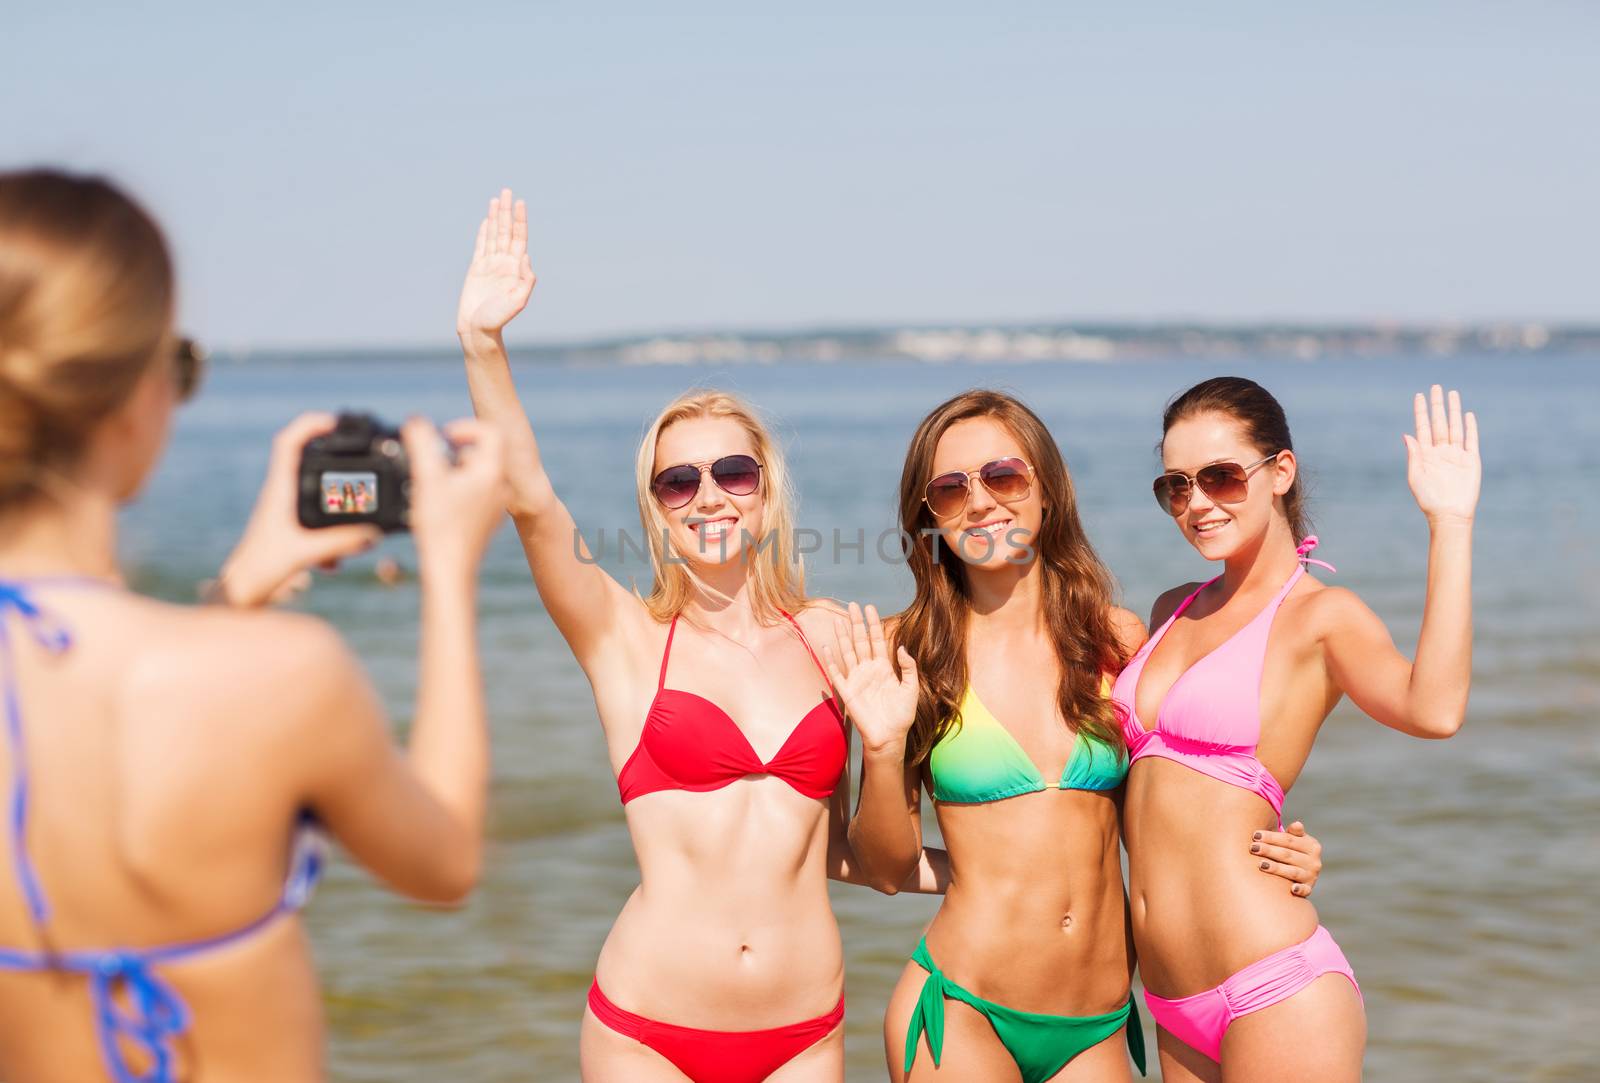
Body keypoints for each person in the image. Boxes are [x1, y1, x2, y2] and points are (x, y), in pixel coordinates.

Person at [0, 169, 509, 1083]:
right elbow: (446, 858)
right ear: (132, 400)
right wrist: (447, 566)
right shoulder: (280, 677)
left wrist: (242, 581)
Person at [456, 188, 946, 1083]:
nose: (709, 494)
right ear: (656, 509)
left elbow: (864, 854)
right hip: (650, 1027)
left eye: (732, 470)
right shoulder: (623, 637)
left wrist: (977, 851)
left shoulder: (835, 637)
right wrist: (484, 344)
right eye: (678, 480)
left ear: (765, 489)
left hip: (805, 1028)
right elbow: (528, 496)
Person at [831, 389, 1325, 1083]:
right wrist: (882, 752)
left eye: (1003, 476)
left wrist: (1271, 850)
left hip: (1097, 1026)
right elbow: (883, 866)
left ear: (1046, 492)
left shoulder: (1118, 639)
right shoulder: (904, 653)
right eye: (950, 489)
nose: (980, 502)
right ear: (929, 518)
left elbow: (1183, 795)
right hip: (962, 1010)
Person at [1112, 377, 1478, 1081]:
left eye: (1220, 477)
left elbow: (1433, 709)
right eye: (1176, 486)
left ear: (1280, 471)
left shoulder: (1322, 617)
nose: (1198, 504)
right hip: (1171, 999)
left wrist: (1450, 524)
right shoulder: (1169, 610)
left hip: (1275, 987)